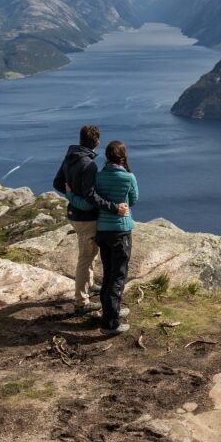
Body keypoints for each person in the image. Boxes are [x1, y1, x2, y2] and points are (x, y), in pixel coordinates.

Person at [53, 124, 128, 316]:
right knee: (85, 258)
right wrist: (114, 208)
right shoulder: (89, 165)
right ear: (97, 142)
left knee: (91, 252)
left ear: (80, 140)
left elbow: (57, 183)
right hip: (85, 217)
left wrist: (71, 197)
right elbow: (91, 197)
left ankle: (91, 284)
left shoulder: (70, 157)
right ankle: (81, 302)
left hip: (74, 215)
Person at [93, 140, 138, 335]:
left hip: (102, 230)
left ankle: (110, 310)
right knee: (118, 277)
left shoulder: (99, 176)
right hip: (120, 232)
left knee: (108, 274)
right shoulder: (128, 177)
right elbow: (134, 199)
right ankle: (110, 323)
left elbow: (96, 198)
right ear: (123, 156)